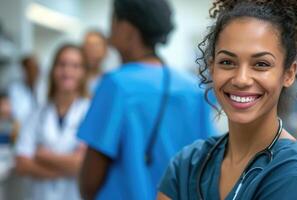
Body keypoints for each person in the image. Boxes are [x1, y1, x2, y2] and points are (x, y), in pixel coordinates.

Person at [157, 0, 297, 199]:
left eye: (261, 64)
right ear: (212, 67)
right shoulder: (187, 165)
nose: (241, 79)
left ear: (288, 73)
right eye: (227, 62)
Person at [78, 0, 216, 199]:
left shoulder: (116, 85)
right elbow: (207, 164)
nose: (109, 31)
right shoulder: (193, 89)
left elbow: (90, 180)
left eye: (113, 21)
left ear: (126, 30)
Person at [14, 44, 90, 200]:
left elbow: (85, 165)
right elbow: (22, 164)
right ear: (53, 70)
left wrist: (43, 157)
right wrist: (66, 168)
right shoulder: (35, 115)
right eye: (62, 64)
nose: (67, 71)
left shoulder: (91, 113)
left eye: (75, 66)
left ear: (83, 73)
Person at [8, 55, 41, 125]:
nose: (33, 72)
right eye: (29, 69)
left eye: (35, 68)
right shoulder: (14, 89)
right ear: (24, 70)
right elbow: (17, 115)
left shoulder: (44, 88)